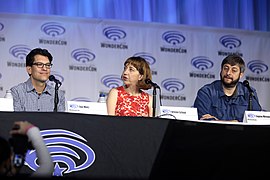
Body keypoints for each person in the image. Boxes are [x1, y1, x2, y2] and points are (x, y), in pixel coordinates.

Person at [193, 54, 262, 122]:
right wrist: (234, 122)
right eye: (226, 68)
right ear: (221, 70)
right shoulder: (206, 92)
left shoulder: (249, 93)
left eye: (234, 70)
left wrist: (217, 121)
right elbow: (202, 119)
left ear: (240, 75)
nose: (228, 73)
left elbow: (257, 120)